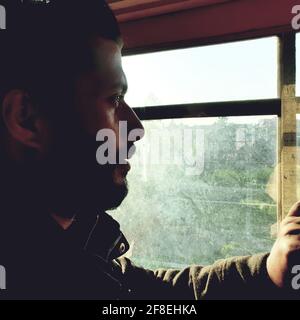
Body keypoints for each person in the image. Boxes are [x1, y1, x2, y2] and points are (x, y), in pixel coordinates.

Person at [0, 0, 299, 300]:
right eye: (114, 99)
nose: (137, 127)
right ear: (27, 119)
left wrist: (269, 270)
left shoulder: (77, 245)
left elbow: (149, 293)